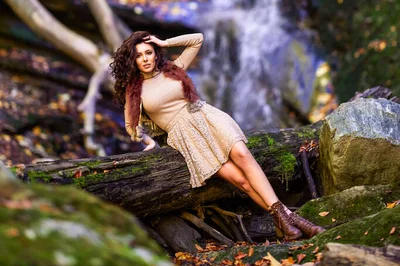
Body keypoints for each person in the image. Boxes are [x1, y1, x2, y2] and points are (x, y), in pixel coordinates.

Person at [109, 31, 324, 241]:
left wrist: (164, 42)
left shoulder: (173, 69)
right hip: (186, 136)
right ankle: (290, 220)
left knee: (242, 154)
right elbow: (132, 126)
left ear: (155, 53)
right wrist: (148, 141)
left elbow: (197, 40)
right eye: (139, 55)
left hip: (206, 116)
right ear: (133, 60)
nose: (145, 58)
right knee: (240, 180)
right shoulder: (135, 90)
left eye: (148, 52)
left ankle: (286, 221)